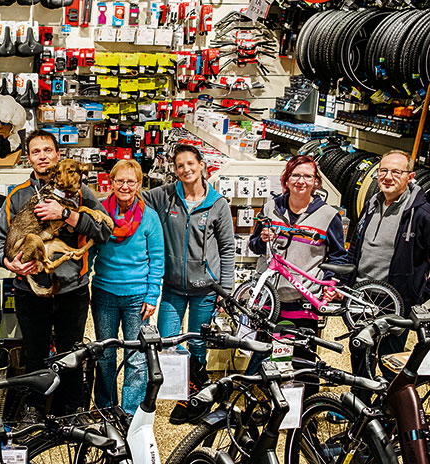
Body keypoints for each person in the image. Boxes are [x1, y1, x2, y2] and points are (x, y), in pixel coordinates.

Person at [0, 130, 112, 416]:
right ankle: (35, 411)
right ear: (29, 157)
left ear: (58, 155)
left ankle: (69, 411)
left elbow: (104, 232)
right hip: (29, 290)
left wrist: (67, 215)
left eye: (48, 150)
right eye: (36, 151)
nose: (42, 156)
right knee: (34, 354)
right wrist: (9, 264)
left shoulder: (83, 194)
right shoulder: (18, 195)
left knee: (71, 354)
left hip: (72, 288)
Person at [142, 144, 235, 425]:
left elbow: (228, 248)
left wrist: (226, 290)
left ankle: (195, 396)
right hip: (172, 287)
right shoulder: (165, 196)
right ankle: (186, 388)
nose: (186, 170)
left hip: (205, 288)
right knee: (169, 342)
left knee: (197, 344)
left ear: (202, 165)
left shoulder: (218, 204)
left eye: (190, 164)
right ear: (175, 169)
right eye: (180, 166)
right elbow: (133, 194)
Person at [248, 155, 347, 392]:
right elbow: (254, 245)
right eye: (296, 175)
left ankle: (305, 415)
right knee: (265, 353)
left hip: (304, 300)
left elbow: (339, 256)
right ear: (286, 178)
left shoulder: (328, 215)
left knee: (303, 360)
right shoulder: (271, 207)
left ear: (316, 182)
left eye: (307, 176)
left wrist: (330, 284)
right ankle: (267, 405)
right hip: (270, 300)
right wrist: (261, 240)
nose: (301, 181)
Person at [345, 150, 430, 385]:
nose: (388, 177)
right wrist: (345, 285)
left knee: (388, 363)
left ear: (410, 176)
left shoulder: (421, 213)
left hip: (394, 303)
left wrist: (421, 295)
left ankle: (387, 417)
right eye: (383, 171)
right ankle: (359, 411)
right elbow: (355, 246)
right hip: (360, 299)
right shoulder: (372, 204)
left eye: (396, 172)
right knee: (359, 355)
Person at [91, 159, 164, 414]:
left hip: (138, 296)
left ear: (139, 184)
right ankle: (105, 407)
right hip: (104, 293)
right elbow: (90, 250)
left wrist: (152, 294)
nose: (125, 186)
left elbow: (157, 259)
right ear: (111, 183)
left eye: (130, 181)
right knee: (105, 355)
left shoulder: (150, 218)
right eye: (120, 181)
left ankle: (130, 411)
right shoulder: (99, 213)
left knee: (136, 358)